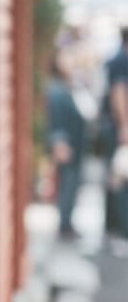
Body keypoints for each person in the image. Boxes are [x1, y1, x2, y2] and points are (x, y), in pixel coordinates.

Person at [45, 51, 86, 239]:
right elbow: (56, 120)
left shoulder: (67, 88)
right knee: (67, 187)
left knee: (72, 186)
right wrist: (59, 143)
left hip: (75, 146)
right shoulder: (56, 90)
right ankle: (64, 225)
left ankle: (67, 222)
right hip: (67, 146)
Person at [100, 26, 128, 237]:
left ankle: (113, 226)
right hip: (118, 128)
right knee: (119, 177)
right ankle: (119, 227)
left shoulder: (116, 58)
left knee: (114, 174)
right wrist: (124, 125)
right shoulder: (122, 60)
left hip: (113, 126)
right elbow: (118, 94)